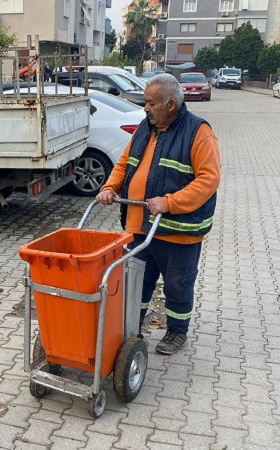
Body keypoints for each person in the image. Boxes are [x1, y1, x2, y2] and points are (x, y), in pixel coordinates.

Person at [96, 74, 220, 355]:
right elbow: (124, 163)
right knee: (136, 283)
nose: (145, 108)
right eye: (146, 102)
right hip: (140, 226)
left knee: (178, 283)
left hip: (177, 230)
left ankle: (177, 332)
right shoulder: (145, 127)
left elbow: (208, 180)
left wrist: (169, 202)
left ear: (171, 104)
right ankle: (131, 328)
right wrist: (109, 187)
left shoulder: (198, 132)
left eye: (151, 103)